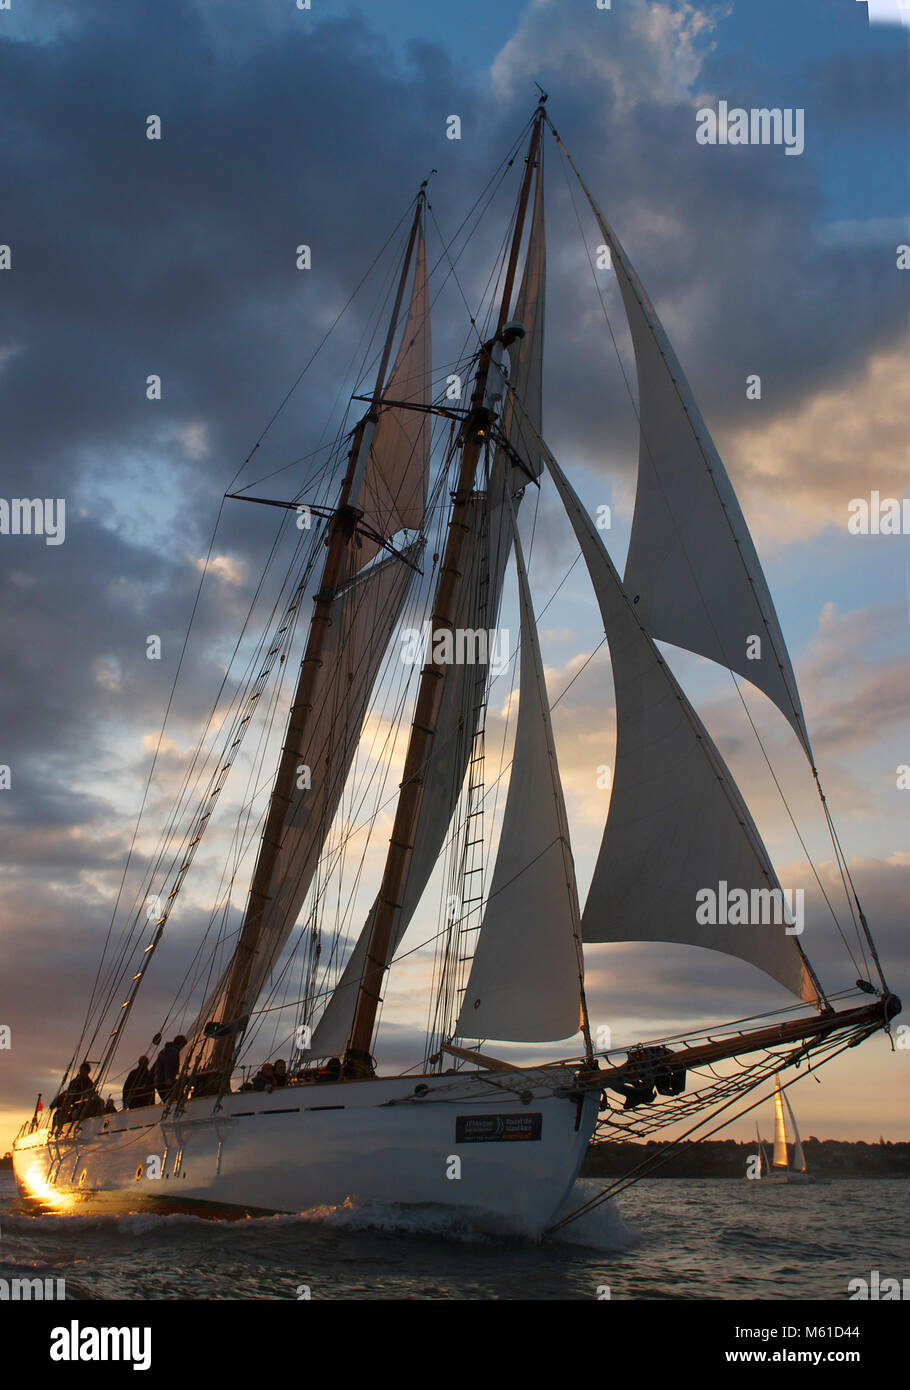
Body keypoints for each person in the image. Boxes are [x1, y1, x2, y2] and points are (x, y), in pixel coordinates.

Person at [152, 1035, 187, 1103]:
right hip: (166, 1083)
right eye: (182, 1046)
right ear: (179, 1044)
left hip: (159, 1083)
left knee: (169, 1101)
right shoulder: (173, 1051)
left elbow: (155, 1067)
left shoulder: (163, 1051)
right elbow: (169, 1065)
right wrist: (169, 1078)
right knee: (178, 1100)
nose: (182, 1048)